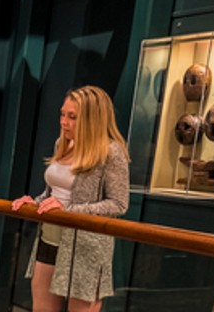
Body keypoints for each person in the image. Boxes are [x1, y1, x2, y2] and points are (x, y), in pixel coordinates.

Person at [10, 85, 130, 312]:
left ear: (92, 119)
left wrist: (70, 211)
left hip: (86, 248)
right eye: (62, 114)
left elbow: (118, 204)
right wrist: (34, 202)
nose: (64, 122)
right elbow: (52, 194)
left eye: (72, 117)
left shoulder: (111, 152)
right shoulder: (62, 144)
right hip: (49, 238)